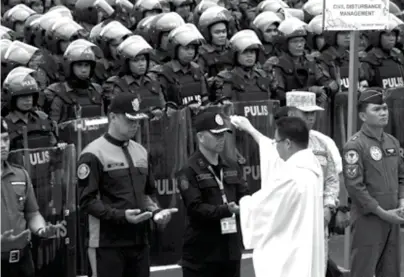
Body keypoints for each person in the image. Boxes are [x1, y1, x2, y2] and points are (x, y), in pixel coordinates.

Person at [77, 92, 178, 277]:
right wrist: (121, 216)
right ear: (112, 117)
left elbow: (147, 195)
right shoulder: (92, 153)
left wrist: (156, 213)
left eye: (138, 120)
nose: (135, 124)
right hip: (106, 244)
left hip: (140, 241)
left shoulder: (141, 151)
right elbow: (87, 201)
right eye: (130, 119)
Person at [230, 115, 325, 277]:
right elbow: (270, 149)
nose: (274, 146)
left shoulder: (291, 176)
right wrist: (250, 129)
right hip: (304, 248)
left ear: (288, 143)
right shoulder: (312, 166)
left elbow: (264, 208)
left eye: (277, 142)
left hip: (291, 257)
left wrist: (243, 206)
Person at [343, 88, 404, 277]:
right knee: (363, 271)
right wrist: (383, 213)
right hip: (369, 219)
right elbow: (355, 187)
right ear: (363, 115)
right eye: (377, 109)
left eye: (385, 108)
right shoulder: (355, 145)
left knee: (391, 271)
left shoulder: (392, 142)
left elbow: (403, 177)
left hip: (394, 217)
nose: (383, 113)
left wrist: (403, 203)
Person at [177, 111, 249, 277]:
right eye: (216, 134)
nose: (221, 138)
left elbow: (244, 195)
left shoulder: (231, 166)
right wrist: (226, 210)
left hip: (230, 252)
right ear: (201, 137)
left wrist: (245, 205)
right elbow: (195, 208)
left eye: (223, 133)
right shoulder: (188, 170)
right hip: (202, 255)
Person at [1, 116, 61, 277]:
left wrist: (42, 229)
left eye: (5, 139)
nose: (3, 145)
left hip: (23, 261)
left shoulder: (20, 174)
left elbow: (32, 213)